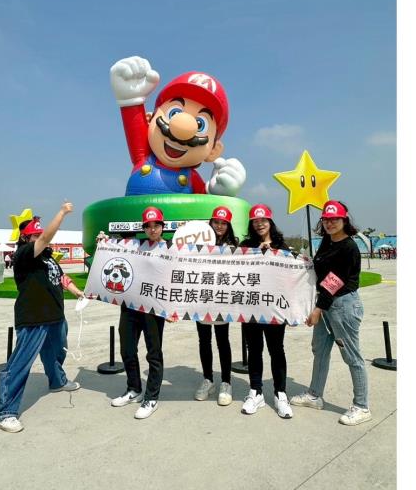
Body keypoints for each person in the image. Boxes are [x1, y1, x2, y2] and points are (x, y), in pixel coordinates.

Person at [0, 203, 86, 433]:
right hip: (33, 317)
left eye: (39, 234)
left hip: (55, 316)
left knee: (56, 353)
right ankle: (5, 412)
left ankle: (57, 381)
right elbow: (45, 238)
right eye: (34, 235)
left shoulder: (47, 257)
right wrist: (62, 213)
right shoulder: (24, 254)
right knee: (20, 363)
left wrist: (76, 291)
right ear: (26, 238)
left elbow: (60, 277)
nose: (40, 238)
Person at [109, 55, 246, 197]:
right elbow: (134, 129)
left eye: (200, 124)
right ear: (149, 121)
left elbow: (203, 201)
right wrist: (130, 99)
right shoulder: (143, 157)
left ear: (213, 151)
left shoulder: (191, 179)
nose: (182, 129)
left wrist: (217, 192)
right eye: (174, 113)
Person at [291, 200, 372, 426]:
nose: (330, 223)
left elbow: (333, 281)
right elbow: (321, 270)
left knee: (352, 356)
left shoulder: (349, 247)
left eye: (334, 219)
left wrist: (318, 309)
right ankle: (314, 395)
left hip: (343, 305)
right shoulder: (327, 241)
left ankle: (362, 406)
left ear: (344, 220)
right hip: (325, 303)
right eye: (326, 219)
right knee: (320, 350)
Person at [111, 206, 168, 420]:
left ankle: (151, 397)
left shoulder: (171, 248)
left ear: (162, 226)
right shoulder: (134, 245)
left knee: (154, 353)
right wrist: (103, 242)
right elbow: (113, 256)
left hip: (154, 308)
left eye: (156, 225)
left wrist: (172, 307)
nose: (152, 229)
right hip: (130, 305)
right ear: (143, 228)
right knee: (127, 348)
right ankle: (134, 388)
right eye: (148, 226)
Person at [239, 204, 294, 419]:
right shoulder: (245, 246)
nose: (259, 224)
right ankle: (256, 392)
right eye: (255, 221)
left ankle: (280, 394)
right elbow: (235, 272)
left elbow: (291, 275)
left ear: (270, 222)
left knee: (276, 350)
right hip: (251, 308)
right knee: (254, 349)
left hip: (274, 309)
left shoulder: (282, 245)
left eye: (263, 220)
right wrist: (256, 253)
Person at [194, 206, 238, 406]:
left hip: (222, 299)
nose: (219, 226)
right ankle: (208, 380)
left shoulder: (234, 245)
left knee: (222, 340)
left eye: (223, 223)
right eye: (216, 222)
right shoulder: (199, 242)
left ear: (228, 226)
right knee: (204, 340)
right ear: (210, 223)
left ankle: (226, 382)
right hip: (201, 298)